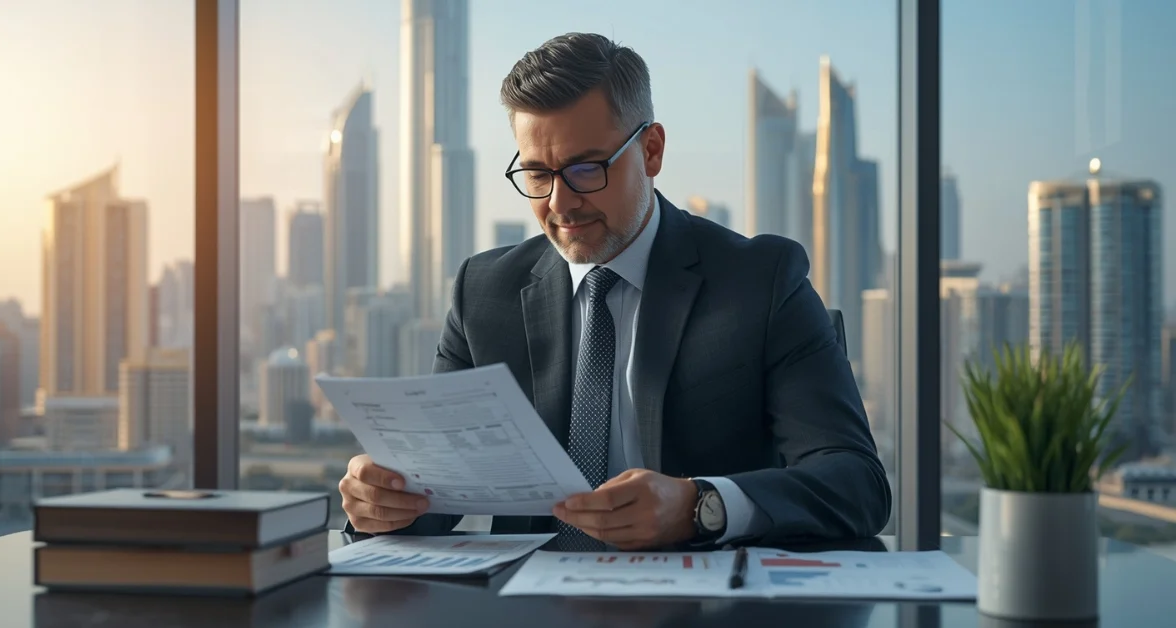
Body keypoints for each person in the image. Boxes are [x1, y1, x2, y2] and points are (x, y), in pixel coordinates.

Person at [339, 32, 891, 550]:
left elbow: (856, 482)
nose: (559, 203)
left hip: (705, 600)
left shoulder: (761, 281)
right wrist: (384, 500)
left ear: (651, 150)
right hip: (530, 600)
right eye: (537, 175)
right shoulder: (483, 293)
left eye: (585, 169)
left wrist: (700, 506)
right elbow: (438, 495)